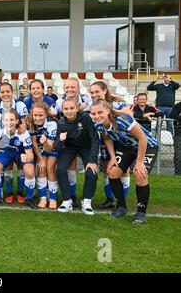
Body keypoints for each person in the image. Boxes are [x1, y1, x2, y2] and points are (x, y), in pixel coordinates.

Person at [90, 99, 159, 224]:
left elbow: (142, 138)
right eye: (93, 113)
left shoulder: (123, 120)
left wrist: (139, 162)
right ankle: (121, 207)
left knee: (140, 174)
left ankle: (141, 213)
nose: (96, 116)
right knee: (112, 172)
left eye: (100, 112)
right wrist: (112, 158)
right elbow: (107, 138)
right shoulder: (98, 124)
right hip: (127, 147)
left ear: (108, 110)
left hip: (147, 146)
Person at [90, 80, 133, 210]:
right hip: (106, 140)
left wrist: (111, 110)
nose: (94, 94)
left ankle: (121, 201)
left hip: (121, 142)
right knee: (108, 170)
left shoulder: (116, 104)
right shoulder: (93, 106)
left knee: (124, 170)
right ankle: (109, 200)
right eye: (92, 92)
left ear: (105, 91)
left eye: (97, 91)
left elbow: (130, 114)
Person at [55, 98, 99, 215]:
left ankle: (87, 201)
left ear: (77, 108)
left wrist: (92, 160)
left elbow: (95, 139)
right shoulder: (61, 123)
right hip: (70, 147)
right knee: (60, 169)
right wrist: (61, 140)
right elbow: (58, 148)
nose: (69, 111)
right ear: (62, 110)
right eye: (66, 109)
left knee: (91, 171)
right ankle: (67, 200)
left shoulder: (85, 118)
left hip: (86, 146)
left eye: (72, 108)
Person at [0, 109, 35, 206]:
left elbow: (30, 155)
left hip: (21, 152)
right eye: (6, 120)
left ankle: (29, 198)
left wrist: (27, 158)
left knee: (29, 171)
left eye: (12, 120)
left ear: (17, 121)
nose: (9, 123)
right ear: (3, 121)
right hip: (6, 151)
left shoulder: (23, 133)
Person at [28, 102, 58, 209]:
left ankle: (53, 198)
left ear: (46, 114)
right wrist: (40, 159)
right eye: (35, 115)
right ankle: (43, 198)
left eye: (41, 115)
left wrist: (45, 143)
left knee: (50, 168)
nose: (38, 118)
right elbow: (34, 143)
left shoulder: (52, 124)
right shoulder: (31, 123)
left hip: (52, 147)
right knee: (41, 168)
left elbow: (49, 148)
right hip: (40, 149)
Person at [170, 102, 181, 175]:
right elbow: (172, 115)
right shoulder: (178, 105)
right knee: (178, 154)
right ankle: (178, 173)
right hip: (179, 134)